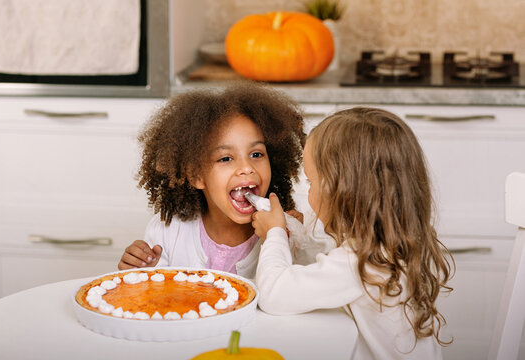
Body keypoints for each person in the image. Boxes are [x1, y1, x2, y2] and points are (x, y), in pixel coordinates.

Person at [252, 107, 454, 359]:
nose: (310, 193)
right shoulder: (394, 241)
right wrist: (296, 235)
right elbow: (323, 275)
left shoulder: (363, 261)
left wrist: (275, 234)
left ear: (343, 193)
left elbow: (274, 295)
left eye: (312, 182)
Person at [117, 81, 305, 279]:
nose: (247, 168)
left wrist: (297, 240)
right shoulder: (167, 231)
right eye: (226, 158)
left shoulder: (282, 233)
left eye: (256, 154)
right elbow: (153, 298)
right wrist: (143, 273)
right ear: (197, 175)